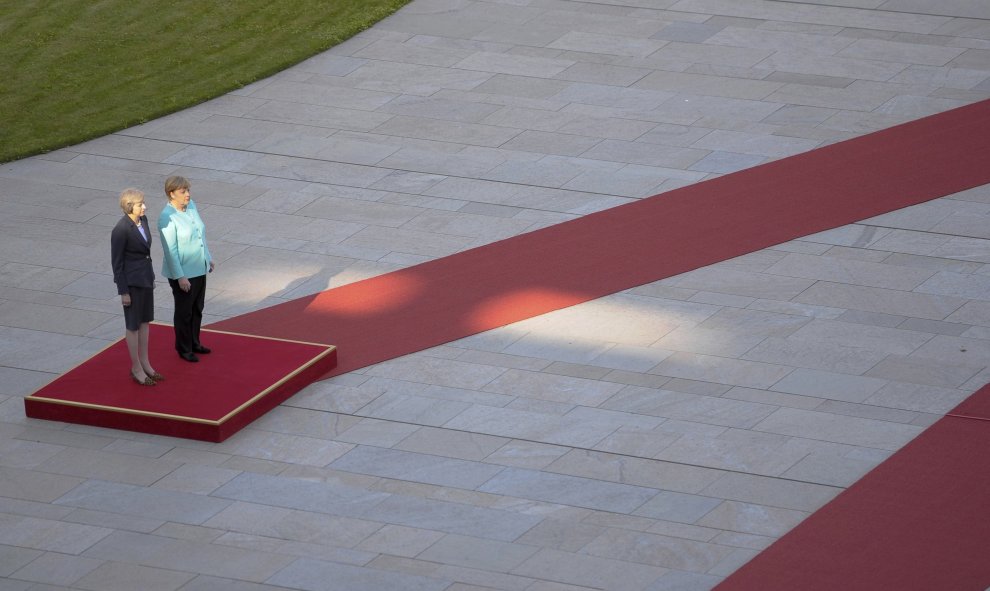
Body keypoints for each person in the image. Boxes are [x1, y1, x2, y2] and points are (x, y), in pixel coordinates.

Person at [158, 176, 214, 362]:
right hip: (182, 274)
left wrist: (208, 257)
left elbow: (200, 233)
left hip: (199, 267)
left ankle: (195, 342)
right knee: (184, 312)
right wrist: (180, 277)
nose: (188, 194)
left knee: (198, 307)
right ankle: (183, 348)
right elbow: (170, 251)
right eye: (183, 192)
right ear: (171, 194)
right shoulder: (167, 217)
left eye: (188, 190)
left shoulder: (191, 206)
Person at [110, 188, 162, 386]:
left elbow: (145, 253)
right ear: (130, 206)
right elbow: (117, 263)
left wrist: (150, 277)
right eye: (141, 204)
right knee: (133, 325)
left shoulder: (144, 221)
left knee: (145, 321)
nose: (144, 207)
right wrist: (123, 291)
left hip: (145, 279)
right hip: (132, 284)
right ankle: (136, 367)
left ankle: (145, 362)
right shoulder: (121, 230)